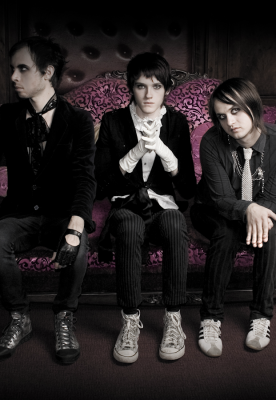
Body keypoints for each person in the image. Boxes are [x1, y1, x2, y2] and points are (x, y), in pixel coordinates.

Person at [0, 36, 96, 364]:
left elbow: (85, 177)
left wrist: (75, 226)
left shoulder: (78, 120)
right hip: (20, 213)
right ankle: (19, 318)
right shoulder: (7, 116)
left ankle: (64, 317)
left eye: (22, 69)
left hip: (62, 213)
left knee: (79, 245)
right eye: (12, 69)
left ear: (47, 73)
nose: (13, 77)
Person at [95, 52, 196, 363]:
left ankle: (173, 317)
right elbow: (101, 185)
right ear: (131, 88)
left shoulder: (177, 122)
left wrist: (165, 153)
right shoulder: (113, 121)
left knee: (176, 223)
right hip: (125, 203)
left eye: (156, 86)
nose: (149, 94)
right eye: (141, 86)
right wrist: (135, 152)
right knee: (129, 225)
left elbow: (188, 188)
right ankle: (129, 320)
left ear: (167, 88)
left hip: (164, 205)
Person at [191, 78, 276, 357]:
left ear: (253, 106)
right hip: (211, 208)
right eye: (221, 116)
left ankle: (261, 316)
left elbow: (272, 196)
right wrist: (248, 210)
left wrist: (256, 212)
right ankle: (210, 317)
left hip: (259, 206)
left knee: (270, 233)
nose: (230, 122)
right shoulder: (211, 141)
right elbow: (221, 199)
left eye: (235, 110)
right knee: (226, 233)